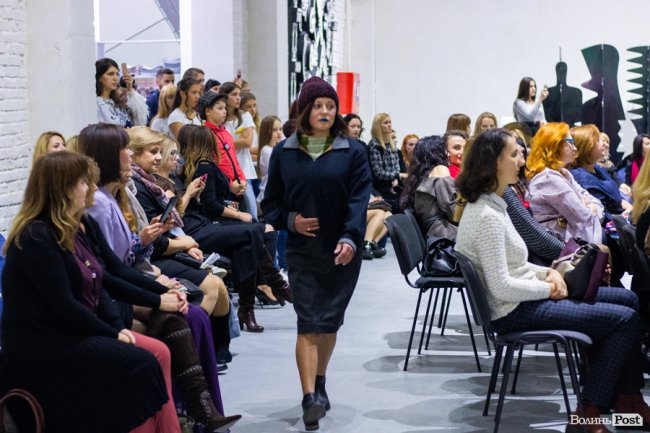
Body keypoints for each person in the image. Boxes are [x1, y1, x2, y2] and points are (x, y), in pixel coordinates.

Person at [455, 127, 650, 433]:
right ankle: (590, 410)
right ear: (494, 162)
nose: (522, 160)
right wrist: (549, 286)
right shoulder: (487, 215)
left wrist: (548, 272)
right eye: (514, 154)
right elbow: (502, 286)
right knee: (624, 319)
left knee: (628, 299)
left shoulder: (494, 204)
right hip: (513, 311)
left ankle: (628, 399)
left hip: (521, 300)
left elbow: (516, 265)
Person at [1, 151, 174, 433]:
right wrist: (113, 334)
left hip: (69, 333)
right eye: (83, 182)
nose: (91, 188)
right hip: (44, 346)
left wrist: (117, 326)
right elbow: (64, 307)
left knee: (155, 354)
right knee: (141, 364)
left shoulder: (71, 229)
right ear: (64, 189)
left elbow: (99, 280)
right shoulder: (36, 237)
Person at [261, 76, 371, 431]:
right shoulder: (284, 152)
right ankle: (309, 397)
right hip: (302, 251)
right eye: (318, 105)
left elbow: (359, 201)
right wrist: (291, 221)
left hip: (342, 251)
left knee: (328, 322)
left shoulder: (353, 151)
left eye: (331, 106)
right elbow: (270, 204)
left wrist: (351, 238)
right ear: (305, 109)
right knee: (308, 322)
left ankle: (320, 381)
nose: (325, 111)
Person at [526, 122, 603, 243]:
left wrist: (589, 207)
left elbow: (596, 204)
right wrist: (588, 207)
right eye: (570, 142)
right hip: (558, 246)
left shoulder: (564, 173)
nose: (575, 148)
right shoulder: (548, 179)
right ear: (555, 144)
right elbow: (584, 218)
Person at [569, 124, 632, 222]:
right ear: (585, 147)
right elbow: (603, 216)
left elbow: (614, 197)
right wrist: (627, 211)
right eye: (598, 141)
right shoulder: (582, 178)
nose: (604, 144)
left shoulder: (596, 168)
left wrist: (623, 204)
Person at [401, 135, 458, 240]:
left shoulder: (420, 176)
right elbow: (454, 212)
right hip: (445, 235)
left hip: (433, 235)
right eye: (445, 150)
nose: (448, 154)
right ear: (437, 153)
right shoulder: (440, 170)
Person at [221, 82, 259, 220]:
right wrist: (237, 141)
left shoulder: (245, 116)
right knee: (231, 210)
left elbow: (247, 142)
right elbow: (218, 145)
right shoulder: (220, 119)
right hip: (226, 171)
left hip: (244, 170)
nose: (238, 98)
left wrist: (225, 142)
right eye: (234, 94)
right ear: (225, 97)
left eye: (239, 94)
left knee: (251, 209)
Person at [96, 58, 148, 127]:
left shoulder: (117, 103)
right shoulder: (95, 104)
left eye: (117, 74)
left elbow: (140, 120)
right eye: (110, 74)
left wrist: (130, 88)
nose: (116, 78)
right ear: (99, 77)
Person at [368, 112, 401, 213]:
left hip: (393, 184)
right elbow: (378, 173)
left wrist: (396, 178)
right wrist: (396, 175)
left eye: (390, 122)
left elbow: (396, 165)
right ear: (378, 126)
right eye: (385, 123)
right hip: (380, 187)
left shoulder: (391, 143)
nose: (389, 125)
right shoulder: (375, 146)